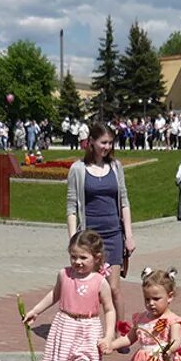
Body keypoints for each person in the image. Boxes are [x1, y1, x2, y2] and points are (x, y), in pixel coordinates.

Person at [23, 230, 116, 361]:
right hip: (64, 327)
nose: (78, 262)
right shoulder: (64, 275)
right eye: (74, 256)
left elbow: (109, 309)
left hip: (88, 330)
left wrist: (108, 336)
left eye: (83, 257)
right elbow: (55, 295)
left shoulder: (99, 281)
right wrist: (36, 310)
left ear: (96, 258)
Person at [66, 123, 135, 323]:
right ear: (92, 143)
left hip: (113, 234)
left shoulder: (115, 167)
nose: (106, 147)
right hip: (90, 237)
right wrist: (73, 239)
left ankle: (119, 331)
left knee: (113, 288)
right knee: (91, 287)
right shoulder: (78, 169)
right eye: (103, 142)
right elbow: (71, 206)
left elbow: (124, 201)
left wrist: (128, 235)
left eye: (110, 143)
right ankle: (88, 329)